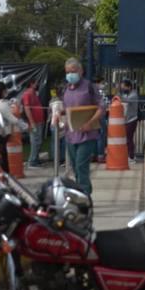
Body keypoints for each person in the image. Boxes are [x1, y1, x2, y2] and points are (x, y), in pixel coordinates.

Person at [55, 57, 102, 195]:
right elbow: (67, 108)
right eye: (67, 72)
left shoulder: (89, 87)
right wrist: (59, 113)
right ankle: (80, 192)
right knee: (75, 167)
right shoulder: (66, 88)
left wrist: (90, 123)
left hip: (87, 135)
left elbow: (101, 107)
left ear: (81, 71)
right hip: (71, 134)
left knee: (82, 166)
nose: (70, 74)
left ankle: (85, 195)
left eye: (73, 71)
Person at [20, 78, 45, 167]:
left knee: (38, 140)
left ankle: (35, 159)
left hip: (39, 120)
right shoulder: (27, 94)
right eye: (36, 83)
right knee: (35, 141)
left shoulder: (34, 93)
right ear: (31, 84)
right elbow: (27, 108)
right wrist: (31, 122)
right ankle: (32, 161)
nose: (37, 84)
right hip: (34, 121)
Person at [119, 79, 139, 163]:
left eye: (124, 87)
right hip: (126, 120)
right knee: (127, 138)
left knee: (129, 139)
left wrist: (118, 96)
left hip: (131, 119)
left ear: (129, 87)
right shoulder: (127, 94)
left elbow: (125, 100)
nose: (122, 89)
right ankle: (130, 155)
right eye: (122, 87)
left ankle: (131, 157)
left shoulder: (133, 95)